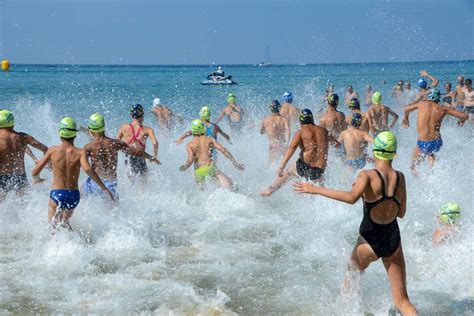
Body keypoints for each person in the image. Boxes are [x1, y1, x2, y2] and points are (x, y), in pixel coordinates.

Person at [293, 131, 418, 316]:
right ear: (393, 153)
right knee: (402, 301)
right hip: (393, 240)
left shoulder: (366, 175)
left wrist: (316, 189)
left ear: (375, 152)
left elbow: (351, 198)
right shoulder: (401, 177)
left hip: (369, 239)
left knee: (350, 280)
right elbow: (401, 213)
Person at [32, 117, 114, 230]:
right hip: (73, 195)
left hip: (57, 193)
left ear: (60, 134)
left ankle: (54, 245)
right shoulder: (80, 152)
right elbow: (88, 170)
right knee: (64, 222)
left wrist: (37, 179)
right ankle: (76, 243)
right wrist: (103, 188)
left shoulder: (52, 150)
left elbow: (35, 172)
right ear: (75, 134)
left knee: (52, 225)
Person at [82, 113, 160, 201]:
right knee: (114, 212)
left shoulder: (88, 147)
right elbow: (137, 153)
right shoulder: (115, 143)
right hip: (110, 184)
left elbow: (87, 168)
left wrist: (101, 186)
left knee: (78, 197)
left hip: (93, 183)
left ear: (91, 130)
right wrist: (151, 157)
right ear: (104, 127)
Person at [260, 109, 328, 197]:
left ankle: (270, 190)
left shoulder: (300, 132)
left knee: (288, 172)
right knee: (320, 181)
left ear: (300, 122)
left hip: (305, 168)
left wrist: (281, 166)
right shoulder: (324, 131)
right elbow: (336, 144)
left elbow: (291, 148)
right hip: (320, 170)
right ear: (312, 120)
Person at [402, 88, 468, 174]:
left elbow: (406, 109)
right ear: (438, 98)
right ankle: (431, 166)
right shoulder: (443, 108)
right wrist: (462, 120)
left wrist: (406, 118)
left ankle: (422, 177)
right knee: (430, 153)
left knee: (413, 166)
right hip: (437, 142)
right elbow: (465, 116)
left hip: (423, 142)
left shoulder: (421, 104)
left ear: (429, 96)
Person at [179, 119, 244, 191]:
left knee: (202, 193)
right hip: (210, 168)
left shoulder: (189, 144)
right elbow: (223, 150)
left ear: (193, 130)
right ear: (203, 129)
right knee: (231, 187)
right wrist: (235, 163)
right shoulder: (209, 139)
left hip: (198, 171)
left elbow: (191, 158)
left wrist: (185, 167)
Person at [0, 109, 48, 201]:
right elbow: (45, 149)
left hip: (1, 178)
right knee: (25, 205)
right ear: (12, 122)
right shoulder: (22, 137)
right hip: (20, 176)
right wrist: (48, 164)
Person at [117, 104, 159, 182]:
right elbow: (155, 143)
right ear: (142, 115)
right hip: (141, 157)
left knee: (130, 181)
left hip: (128, 157)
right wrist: (154, 157)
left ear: (131, 115)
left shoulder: (124, 127)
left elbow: (116, 142)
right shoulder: (147, 130)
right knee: (142, 182)